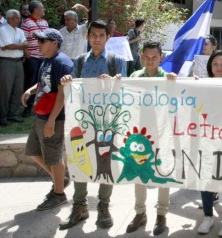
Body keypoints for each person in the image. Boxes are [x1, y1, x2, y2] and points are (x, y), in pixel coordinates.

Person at [59, 20, 127, 230]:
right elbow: (70, 93)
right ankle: (79, 206)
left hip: (108, 122)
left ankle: (103, 207)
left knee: (106, 164)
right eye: (93, 35)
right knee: (80, 160)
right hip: (82, 120)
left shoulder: (118, 61)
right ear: (87, 38)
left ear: (108, 38)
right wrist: (66, 82)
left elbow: (127, 93)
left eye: (101, 35)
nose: (97, 39)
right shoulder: (79, 62)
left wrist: (115, 83)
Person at [126, 42, 177, 236]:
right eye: (146, 57)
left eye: (154, 57)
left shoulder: (168, 78)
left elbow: (180, 100)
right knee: (138, 174)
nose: (150, 60)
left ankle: (161, 215)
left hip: (163, 133)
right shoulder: (134, 77)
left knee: (163, 174)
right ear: (141, 56)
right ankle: (140, 214)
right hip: (139, 134)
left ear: (161, 58)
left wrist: (174, 84)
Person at [21, 29, 73, 210]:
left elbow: (62, 93)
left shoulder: (62, 62)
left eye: (43, 40)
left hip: (54, 118)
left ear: (54, 43)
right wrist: (31, 90)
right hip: (41, 115)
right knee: (33, 151)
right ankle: (61, 179)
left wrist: (51, 121)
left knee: (53, 156)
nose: (39, 43)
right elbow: (44, 83)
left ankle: (59, 193)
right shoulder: (47, 61)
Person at [197, 50, 222, 237]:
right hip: (206, 139)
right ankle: (207, 217)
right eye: (215, 64)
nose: (219, 68)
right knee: (205, 178)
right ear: (210, 66)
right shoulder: (202, 86)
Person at [0, 9, 28, 125]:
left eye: (19, 18)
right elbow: (8, 46)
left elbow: (26, 44)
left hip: (18, 61)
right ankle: (2, 116)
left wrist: (15, 45)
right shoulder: (2, 30)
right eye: (17, 18)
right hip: (6, 62)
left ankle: (13, 114)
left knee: (18, 89)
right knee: (5, 90)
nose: (19, 20)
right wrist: (19, 45)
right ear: (10, 18)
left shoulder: (19, 31)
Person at [21, 0, 49, 117]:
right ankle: (27, 107)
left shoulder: (45, 23)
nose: (43, 10)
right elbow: (23, 39)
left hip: (43, 57)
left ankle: (40, 106)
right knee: (31, 81)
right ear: (36, 10)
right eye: (42, 8)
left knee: (43, 81)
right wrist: (26, 51)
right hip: (32, 57)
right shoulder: (27, 23)